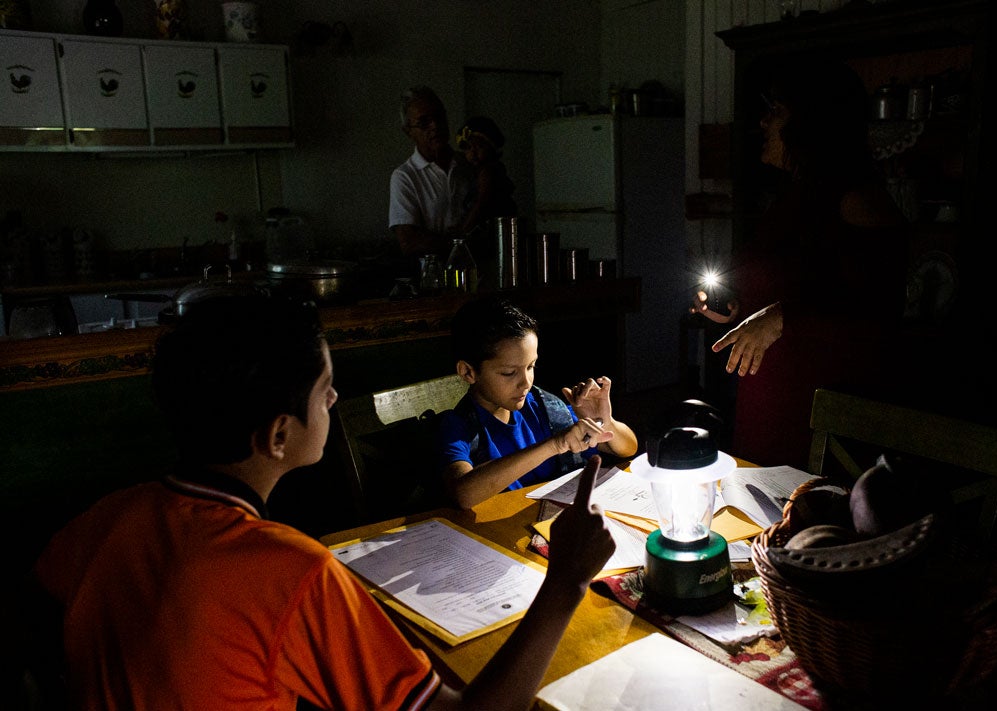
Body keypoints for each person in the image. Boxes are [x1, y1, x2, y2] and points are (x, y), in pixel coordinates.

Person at [26, 294, 616, 710]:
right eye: (323, 389)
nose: (336, 397)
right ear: (279, 436)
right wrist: (564, 580)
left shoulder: (104, 518)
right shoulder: (292, 571)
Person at [690, 57, 910, 469]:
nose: (763, 123)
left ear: (813, 121)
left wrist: (781, 317)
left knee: (807, 515)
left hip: (818, 408)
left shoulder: (858, 200)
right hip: (768, 400)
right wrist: (733, 305)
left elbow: (877, 314)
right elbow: (785, 281)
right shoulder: (794, 195)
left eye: (776, 112)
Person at [438, 296, 638, 509]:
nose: (526, 383)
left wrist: (604, 421)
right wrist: (554, 445)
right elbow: (463, 494)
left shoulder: (544, 409)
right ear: (468, 372)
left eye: (530, 366)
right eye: (509, 373)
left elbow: (627, 448)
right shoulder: (456, 425)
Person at [389, 86, 474, 261]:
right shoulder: (405, 177)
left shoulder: (467, 164)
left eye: (439, 117)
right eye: (423, 122)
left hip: (477, 275)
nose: (435, 126)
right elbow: (409, 242)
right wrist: (460, 242)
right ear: (409, 131)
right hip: (435, 279)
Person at [454, 115, 518, 239]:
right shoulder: (474, 172)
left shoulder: (488, 171)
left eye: (479, 146)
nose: (473, 152)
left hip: (493, 232)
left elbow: (481, 204)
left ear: (492, 148)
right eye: (468, 148)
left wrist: (463, 230)